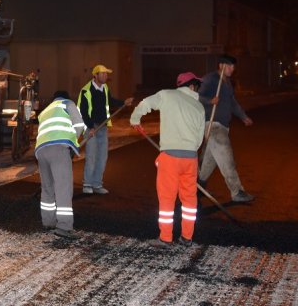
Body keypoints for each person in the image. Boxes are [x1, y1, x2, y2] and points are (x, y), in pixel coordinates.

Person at [130, 72, 206, 247]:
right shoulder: (198, 107)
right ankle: (187, 237)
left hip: (170, 157)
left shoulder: (167, 95)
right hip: (190, 158)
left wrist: (135, 119)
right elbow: (199, 138)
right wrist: (189, 148)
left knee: (167, 198)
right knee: (189, 200)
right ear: (192, 86)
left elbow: (146, 103)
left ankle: (165, 238)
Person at [198, 54, 255, 203]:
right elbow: (196, 96)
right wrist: (209, 101)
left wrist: (243, 116)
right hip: (213, 125)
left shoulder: (227, 83)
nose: (232, 69)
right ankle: (237, 192)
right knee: (227, 160)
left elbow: (232, 103)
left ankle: (198, 186)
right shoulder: (210, 79)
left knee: (210, 160)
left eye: (234, 67)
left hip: (223, 126)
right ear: (221, 65)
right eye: (230, 66)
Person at [35, 90, 86, 240]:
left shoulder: (45, 111)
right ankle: (64, 226)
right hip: (58, 149)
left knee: (47, 188)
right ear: (66, 97)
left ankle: (48, 221)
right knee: (63, 187)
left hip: (41, 151)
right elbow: (79, 125)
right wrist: (72, 144)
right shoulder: (67, 103)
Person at [78, 64, 133, 194]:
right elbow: (83, 112)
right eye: (102, 73)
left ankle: (97, 184)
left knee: (102, 156)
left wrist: (123, 102)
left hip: (102, 127)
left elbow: (110, 100)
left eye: (106, 74)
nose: (105, 76)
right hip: (91, 128)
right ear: (95, 75)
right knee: (91, 156)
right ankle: (87, 184)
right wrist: (90, 127)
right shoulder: (86, 91)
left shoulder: (105, 88)